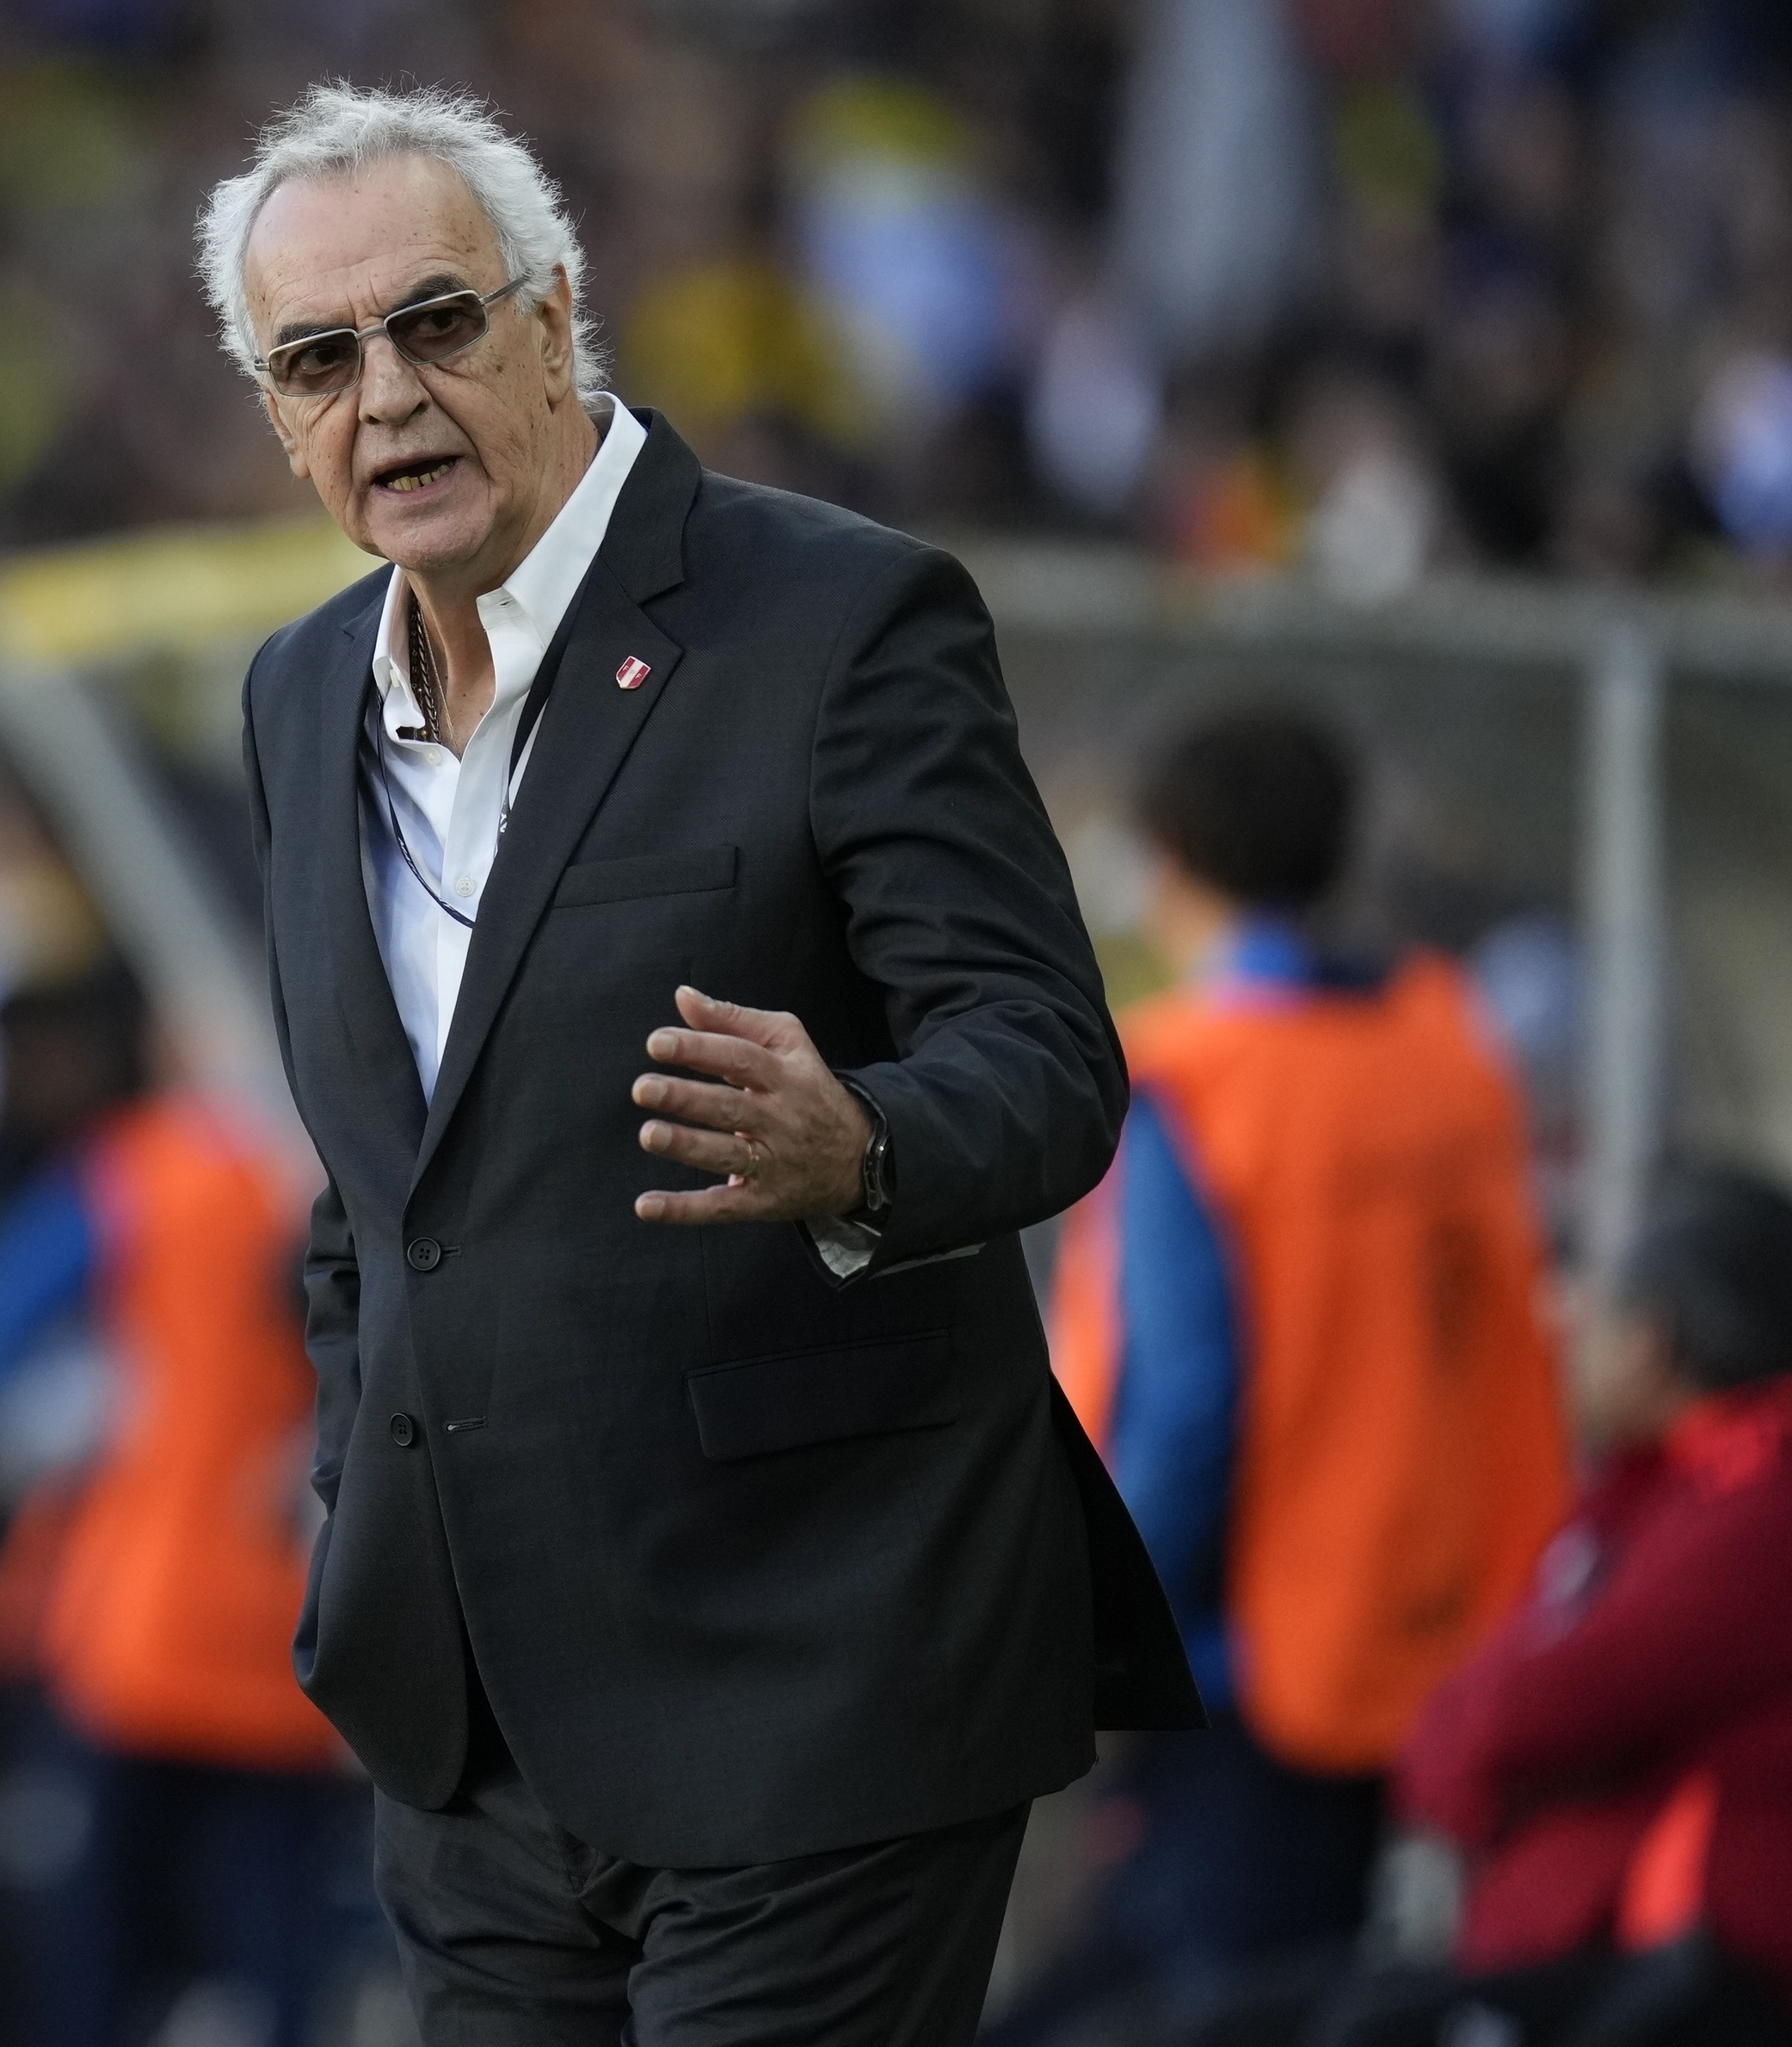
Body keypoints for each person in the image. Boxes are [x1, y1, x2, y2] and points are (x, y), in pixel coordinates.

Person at [213, 83, 1197, 2047]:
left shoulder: (838, 615)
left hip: (812, 1671)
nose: (386, 397)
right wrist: (358, 1482)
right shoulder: (297, 688)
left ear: (551, 318)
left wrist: (862, 1144)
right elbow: (381, 1181)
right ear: (274, 409)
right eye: (316, 359)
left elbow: (1043, 1053)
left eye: (434, 323)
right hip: (472, 1737)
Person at [1017, 705, 1573, 2032]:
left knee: (1210, 1999)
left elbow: (1188, 1408)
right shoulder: (1447, 1041)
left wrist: (1098, 1634)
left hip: (1259, 1663)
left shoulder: (1198, 1081)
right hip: (1458, 1623)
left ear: (1167, 855)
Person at [1350, 1165, 1792, 2047]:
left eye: (1592, 1302)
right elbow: (1492, 1714)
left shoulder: (1790, 1495)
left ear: (1650, 1341)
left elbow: (1514, 1718)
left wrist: (1491, 1764)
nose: (1565, 1322)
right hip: (1707, 1958)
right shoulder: (1677, 1476)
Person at [0, 961, 367, 2047]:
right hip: (291, 1632)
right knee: (280, 1965)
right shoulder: (350, 1170)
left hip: (138, 1630)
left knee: (96, 1966)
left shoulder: (145, 1170)